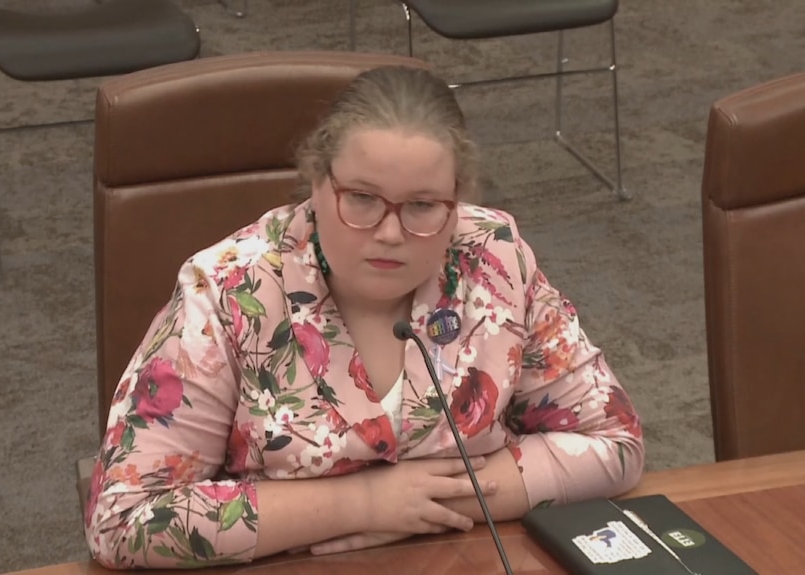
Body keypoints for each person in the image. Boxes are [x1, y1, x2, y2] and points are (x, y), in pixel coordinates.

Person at [84, 64, 645, 569]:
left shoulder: (493, 258)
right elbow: (124, 519)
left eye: (423, 206)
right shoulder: (231, 291)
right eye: (362, 198)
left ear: (457, 201)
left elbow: (614, 439)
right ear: (317, 182)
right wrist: (362, 505)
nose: (390, 232)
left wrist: (440, 500)